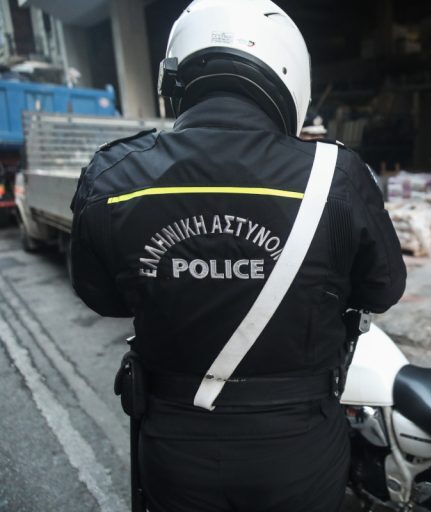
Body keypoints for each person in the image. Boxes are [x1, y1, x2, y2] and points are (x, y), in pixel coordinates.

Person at [69, 1, 407, 511]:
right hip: (297, 450)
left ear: (177, 76)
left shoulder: (114, 176)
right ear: (290, 75)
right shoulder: (335, 176)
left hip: (175, 443)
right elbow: (384, 289)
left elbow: (103, 297)